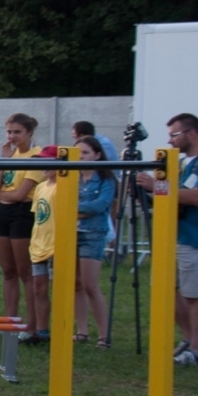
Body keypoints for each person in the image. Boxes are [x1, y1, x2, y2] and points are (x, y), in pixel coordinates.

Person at [136, 113, 198, 366]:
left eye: (174, 134)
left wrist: (157, 187)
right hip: (173, 236)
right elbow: (173, 196)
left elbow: (197, 197)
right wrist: (146, 191)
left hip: (197, 237)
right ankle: (189, 338)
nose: (170, 140)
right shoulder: (182, 164)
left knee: (195, 294)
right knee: (168, 290)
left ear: (192, 134)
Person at [0, 113, 44, 339]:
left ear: (29, 132)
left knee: (25, 271)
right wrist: (4, 160)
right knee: (8, 271)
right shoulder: (9, 154)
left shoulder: (36, 156)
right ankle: (9, 323)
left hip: (22, 214)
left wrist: (4, 195)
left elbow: (22, 195)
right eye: (9, 132)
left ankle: (31, 325)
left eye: (17, 132)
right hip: (2, 213)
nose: (12, 136)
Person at [74, 136, 114, 347]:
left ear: (98, 155)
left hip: (93, 233)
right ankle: (82, 331)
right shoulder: (72, 177)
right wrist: (79, 208)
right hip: (71, 233)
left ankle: (103, 334)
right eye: (78, 153)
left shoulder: (106, 180)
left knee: (90, 285)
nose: (81, 157)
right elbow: (62, 201)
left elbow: (100, 205)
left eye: (86, 153)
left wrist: (76, 208)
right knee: (75, 285)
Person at [26, 148, 60, 346]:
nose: (44, 166)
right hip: (39, 243)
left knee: (59, 289)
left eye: (49, 161)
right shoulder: (41, 187)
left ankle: (60, 329)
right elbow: (38, 217)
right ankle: (41, 331)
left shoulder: (64, 186)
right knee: (39, 288)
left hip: (57, 244)